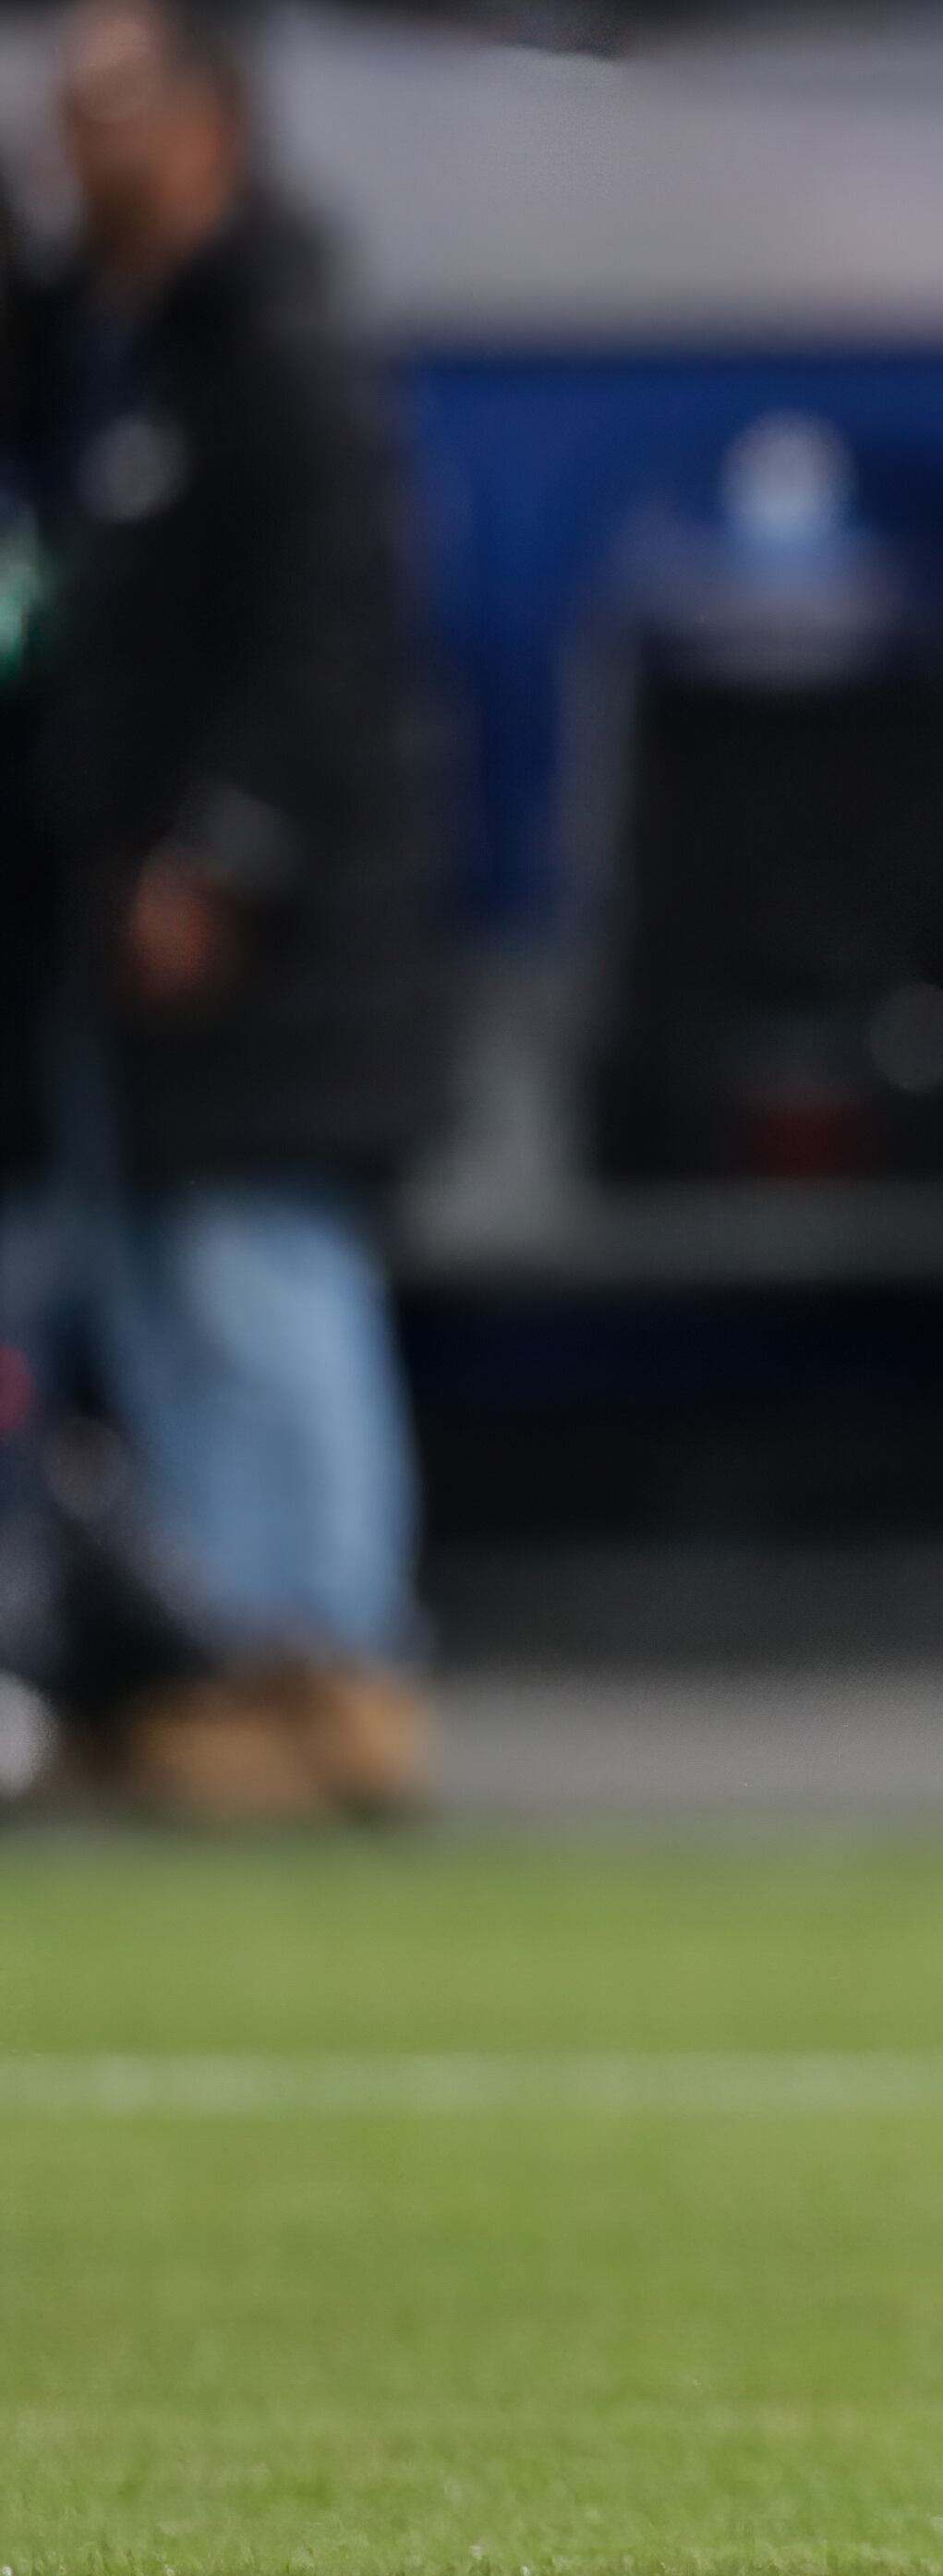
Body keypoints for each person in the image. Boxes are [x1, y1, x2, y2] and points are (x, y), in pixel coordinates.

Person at [8, 0, 446, 1819]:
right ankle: (211, 1651)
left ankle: (331, 1656)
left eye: (115, 98)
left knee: (260, 1273)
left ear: (211, 119)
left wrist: (224, 853)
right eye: (63, 93)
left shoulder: (278, 343)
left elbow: (325, 648)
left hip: (288, 934)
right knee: (153, 1276)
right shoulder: (79, 344)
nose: (73, 129)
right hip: (94, 911)